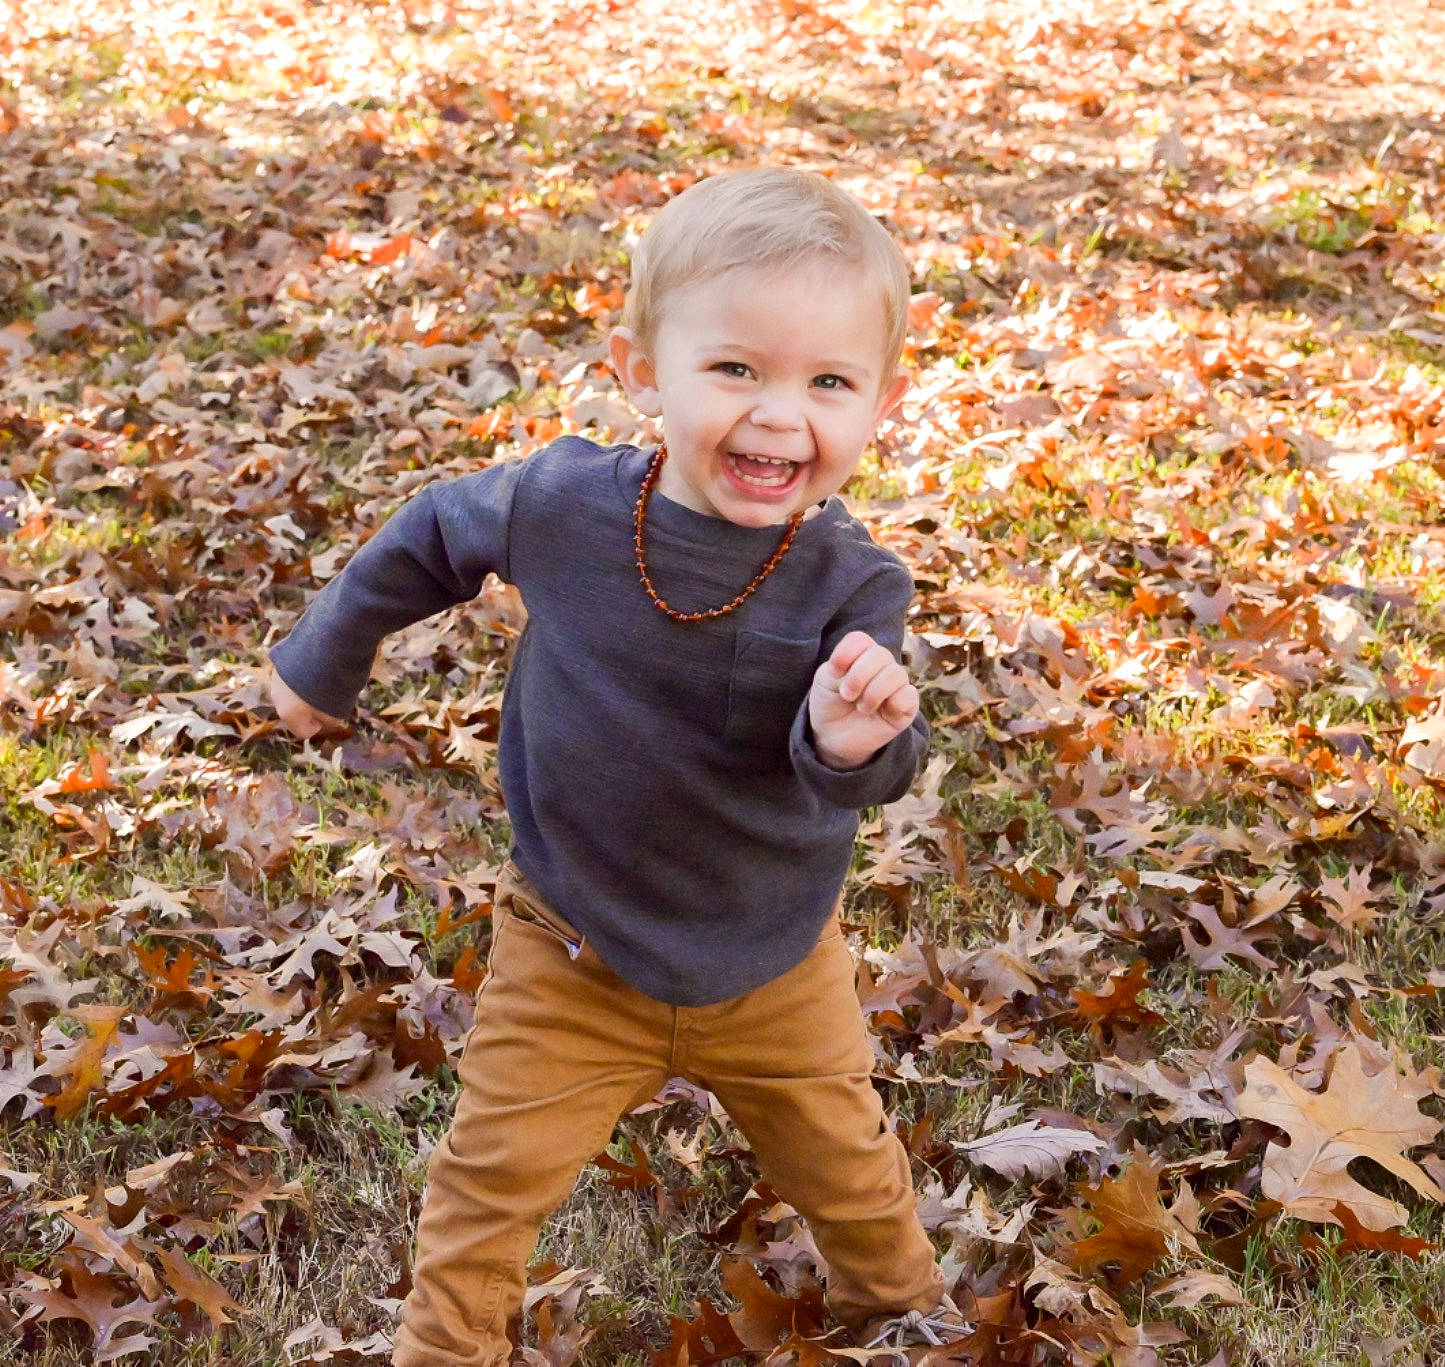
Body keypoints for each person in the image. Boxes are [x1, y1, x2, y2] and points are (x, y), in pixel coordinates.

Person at [266, 166, 960, 1365]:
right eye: (733, 368)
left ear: (880, 403)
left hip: (772, 958)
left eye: (827, 382)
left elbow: (857, 767)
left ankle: (902, 1316)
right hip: (572, 944)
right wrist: (320, 662)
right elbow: (429, 535)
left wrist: (855, 742)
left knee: (846, 1168)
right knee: (487, 1181)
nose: (778, 415)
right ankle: (443, 1349)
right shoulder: (565, 505)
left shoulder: (856, 583)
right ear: (640, 367)